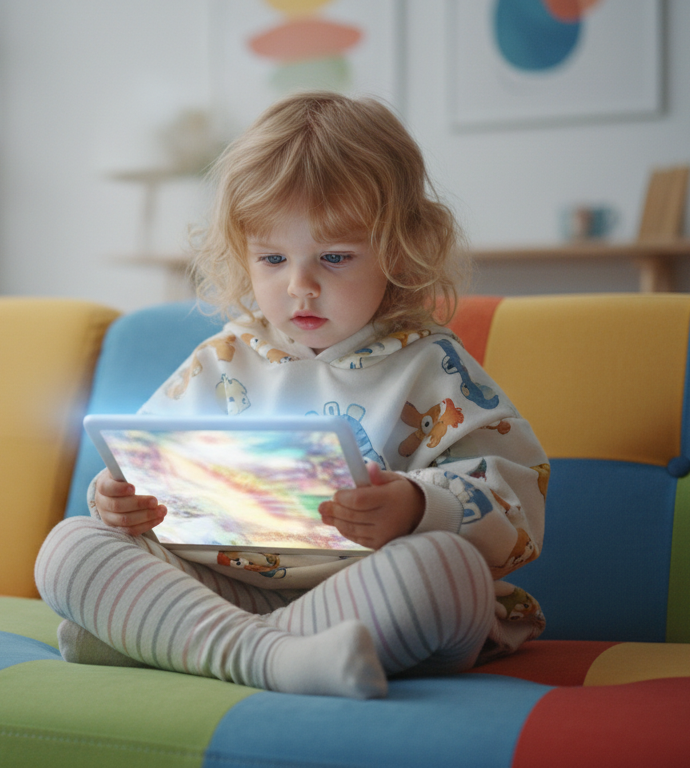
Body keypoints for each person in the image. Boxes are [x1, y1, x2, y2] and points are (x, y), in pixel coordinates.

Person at [36, 92, 548, 699]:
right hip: (223, 587)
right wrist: (117, 499)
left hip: (368, 596)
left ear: (401, 249)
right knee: (68, 547)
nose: (300, 286)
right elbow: (143, 467)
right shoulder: (221, 360)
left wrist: (416, 505)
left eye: (334, 257)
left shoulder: (432, 366)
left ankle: (188, 644)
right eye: (273, 258)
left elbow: (518, 507)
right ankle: (276, 657)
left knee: (447, 570)